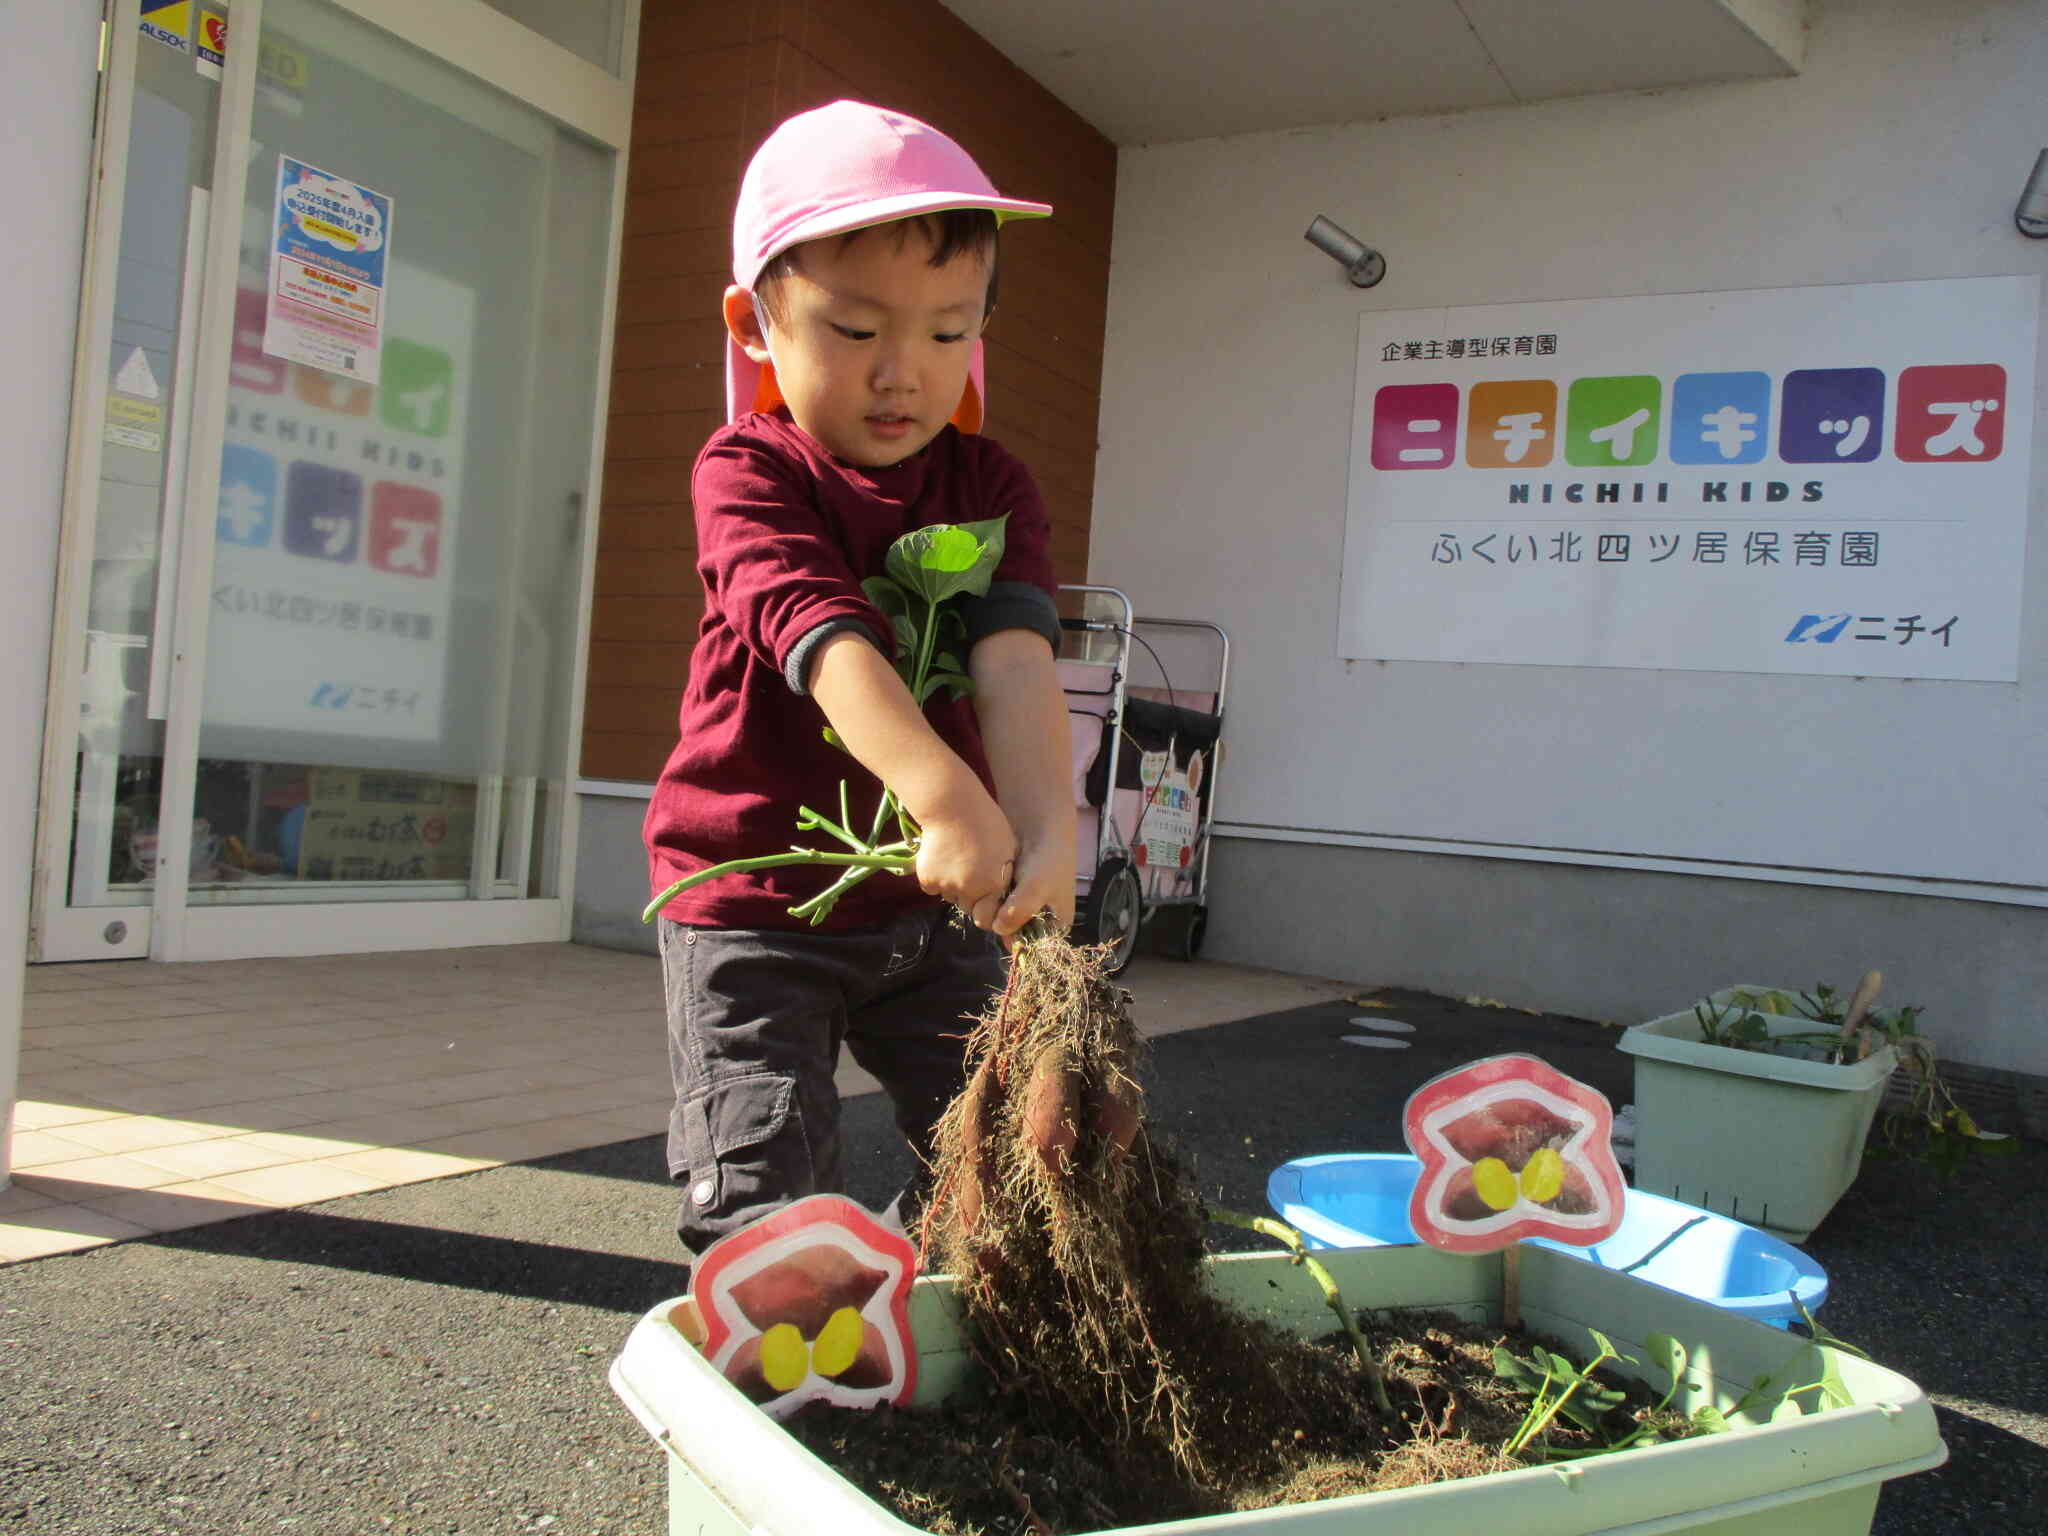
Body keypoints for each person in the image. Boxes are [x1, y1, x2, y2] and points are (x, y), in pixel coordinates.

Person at [643, 100, 1076, 1258]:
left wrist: (1043, 827)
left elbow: (1015, 657)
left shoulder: (992, 486)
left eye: (946, 334)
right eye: (853, 330)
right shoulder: (746, 470)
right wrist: (941, 797)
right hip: (754, 901)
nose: (903, 375)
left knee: (1012, 1163)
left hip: (931, 907)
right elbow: (821, 633)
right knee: (762, 1196)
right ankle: (786, 1373)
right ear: (753, 324)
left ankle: (895, 1306)